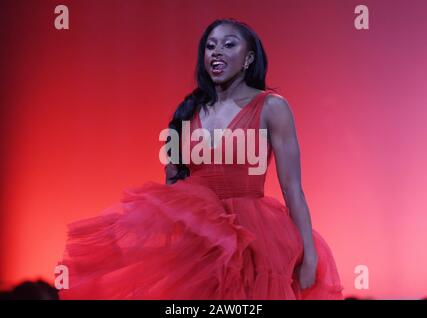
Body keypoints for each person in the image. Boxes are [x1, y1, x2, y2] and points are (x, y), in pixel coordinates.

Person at [58, 18, 344, 300]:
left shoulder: (271, 107)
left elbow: (292, 188)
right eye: (210, 46)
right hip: (197, 245)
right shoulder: (190, 110)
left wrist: (309, 253)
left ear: (249, 58)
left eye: (229, 44)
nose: (216, 52)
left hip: (254, 238)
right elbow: (172, 185)